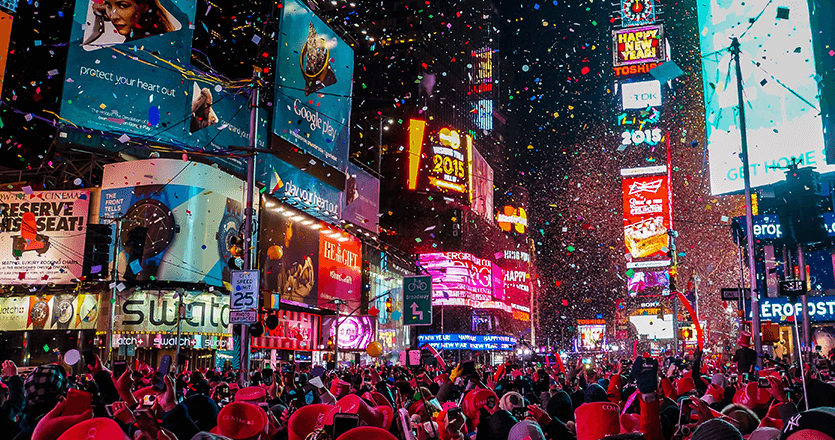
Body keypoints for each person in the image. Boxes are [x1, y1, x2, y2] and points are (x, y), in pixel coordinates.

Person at [84, 0, 177, 45]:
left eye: (123, 6)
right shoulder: (161, 36)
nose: (113, 16)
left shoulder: (141, 45)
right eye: (109, 6)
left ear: (144, 6)